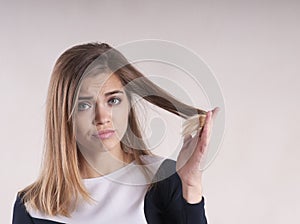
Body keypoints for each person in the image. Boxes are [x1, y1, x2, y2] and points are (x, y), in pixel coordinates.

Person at [12, 42, 217, 224]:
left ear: (128, 104)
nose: (102, 117)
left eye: (113, 100)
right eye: (84, 105)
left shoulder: (163, 180)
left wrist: (190, 185)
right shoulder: (32, 208)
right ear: (63, 115)